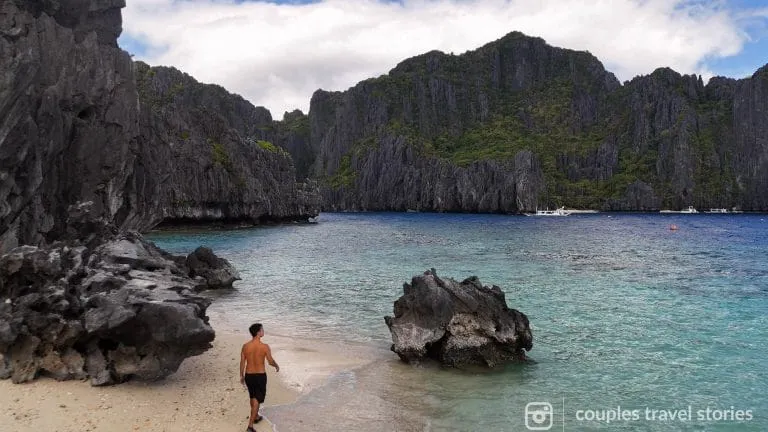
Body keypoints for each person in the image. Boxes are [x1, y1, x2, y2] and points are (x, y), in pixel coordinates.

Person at [240, 323, 280, 432]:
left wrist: (241, 375)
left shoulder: (245, 346)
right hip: (260, 376)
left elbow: (242, 362)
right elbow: (270, 361)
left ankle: (256, 416)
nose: (263, 331)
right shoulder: (264, 347)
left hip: (249, 375)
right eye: (262, 330)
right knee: (257, 399)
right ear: (258, 332)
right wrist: (276, 365)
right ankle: (250, 427)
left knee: (253, 396)